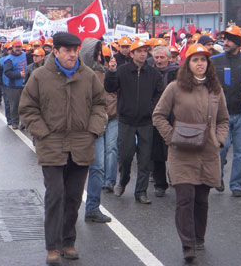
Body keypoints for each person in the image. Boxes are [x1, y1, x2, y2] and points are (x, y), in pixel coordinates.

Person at [19, 32, 107, 265]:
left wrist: (92, 131)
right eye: (67, 50)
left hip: (81, 144)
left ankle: (68, 241)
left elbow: (100, 105)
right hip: (51, 145)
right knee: (55, 195)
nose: (71, 54)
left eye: (75, 50)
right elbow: (28, 109)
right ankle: (53, 246)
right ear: (55, 51)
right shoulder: (39, 76)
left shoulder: (88, 76)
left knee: (74, 197)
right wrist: (43, 134)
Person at [153, 44, 229, 262]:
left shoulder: (216, 89)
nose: (200, 64)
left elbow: (224, 119)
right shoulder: (175, 87)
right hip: (181, 152)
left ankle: (198, 237)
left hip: (208, 152)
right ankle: (188, 245)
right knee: (185, 198)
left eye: (203, 60)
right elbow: (158, 115)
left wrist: (219, 139)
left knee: (202, 200)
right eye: (195, 60)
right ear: (188, 63)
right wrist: (171, 137)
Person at [105, 39, 164, 204]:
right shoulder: (122, 71)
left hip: (146, 122)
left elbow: (160, 94)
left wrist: (151, 108)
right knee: (125, 156)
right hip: (126, 121)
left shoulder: (153, 73)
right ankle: (123, 180)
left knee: (145, 159)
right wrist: (111, 72)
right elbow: (110, 88)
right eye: (139, 51)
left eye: (145, 51)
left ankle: (141, 192)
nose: (143, 54)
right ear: (132, 54)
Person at [211, 25, 241, 197]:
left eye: (229, 39)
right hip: (221, 114)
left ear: (238, 42)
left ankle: (237, 185)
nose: (226, 42)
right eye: (224, 39)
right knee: (221, 149)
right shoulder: (214, 61)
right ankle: (218, 177)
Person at [79, 38, 113, 223]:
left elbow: (104, 100)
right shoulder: (75, 73)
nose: (101, 56)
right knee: (74, 171)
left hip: (97, 128)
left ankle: (92, 208)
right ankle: (68, 209)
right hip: (77, 130)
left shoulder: (104, 72)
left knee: (98, 168)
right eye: (97, 53)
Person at [151, 45, 179, 197]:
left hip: (175, 116)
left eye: (162, 57)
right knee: (157, 153)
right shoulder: (150, 73)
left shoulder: (178, 73)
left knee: (176, 149)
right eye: (157, 57)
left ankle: (175, 178)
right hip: (157, 116)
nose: (159, 60)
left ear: (169, 58)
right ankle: (160, 184)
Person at [4, 40, 27, 130]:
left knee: (25, 105)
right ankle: (15, 122)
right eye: (16, 47)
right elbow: (7, 72)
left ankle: (24, 123)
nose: (18, 49)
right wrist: (19, 75)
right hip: (14, 86)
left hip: (25, 85)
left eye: (19, 47)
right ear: (12, 48)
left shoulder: (25, 55)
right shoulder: (9, 59)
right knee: (15, 105)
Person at [0, 43, 13, 126]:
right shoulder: (2, 59)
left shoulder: (21, 58)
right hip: (5, 83)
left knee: (15, 103)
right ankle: (9, 119)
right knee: (7, 102)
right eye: (9, 49)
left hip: (15, 83)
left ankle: (15, 119)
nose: (10, 51)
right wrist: (0, 82)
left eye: (12, 49)